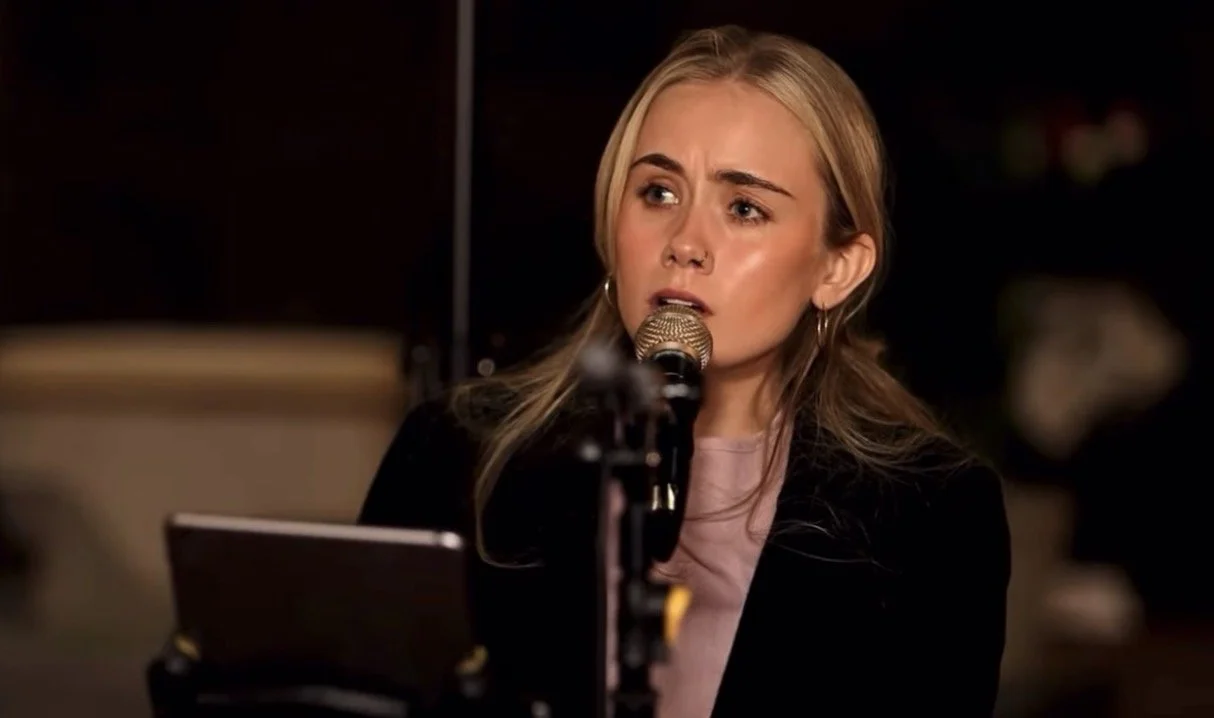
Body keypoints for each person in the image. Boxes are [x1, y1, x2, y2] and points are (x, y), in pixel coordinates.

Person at [360, 25, 1010, 717]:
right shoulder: (454, 455)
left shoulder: (931, 518)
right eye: (659, 194)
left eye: (744, 208)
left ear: (837, 267)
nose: (686, 245)